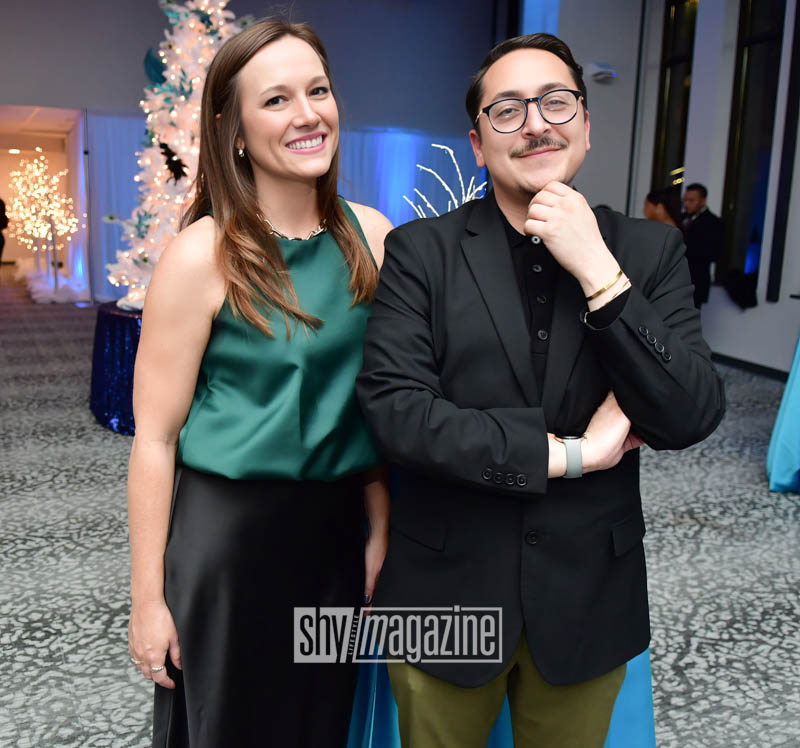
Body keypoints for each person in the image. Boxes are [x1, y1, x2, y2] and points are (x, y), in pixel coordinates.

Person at [357, 33, 725, 748]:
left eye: (555, 102)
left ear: (585, 124)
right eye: (507, 110)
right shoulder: (421, 251)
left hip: (589, 595)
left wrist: (599, 273)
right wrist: (572, 454)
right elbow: (397, 414)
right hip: (444, 588)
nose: (535, 123)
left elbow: (690, 412)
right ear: (476, 143)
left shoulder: (648, 253)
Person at [126, 20, 392, 747]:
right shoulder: (201, 255)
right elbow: (155, 439)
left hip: (335, 536)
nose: (308, 114)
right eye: (276, 100)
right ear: (236, 132)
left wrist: (379, 523)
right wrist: (147, 601)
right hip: (230, 543)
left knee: (321, 726)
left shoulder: (373, 236)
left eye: (318, 91)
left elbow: (375, 401)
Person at [682, 182, 724, 308]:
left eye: (691, 200)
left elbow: (713, 253)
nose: (686, 204)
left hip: (696, 280)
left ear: (703, 200)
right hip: (678, 281)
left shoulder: (713, 222)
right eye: (685, 200)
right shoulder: (681, 218)